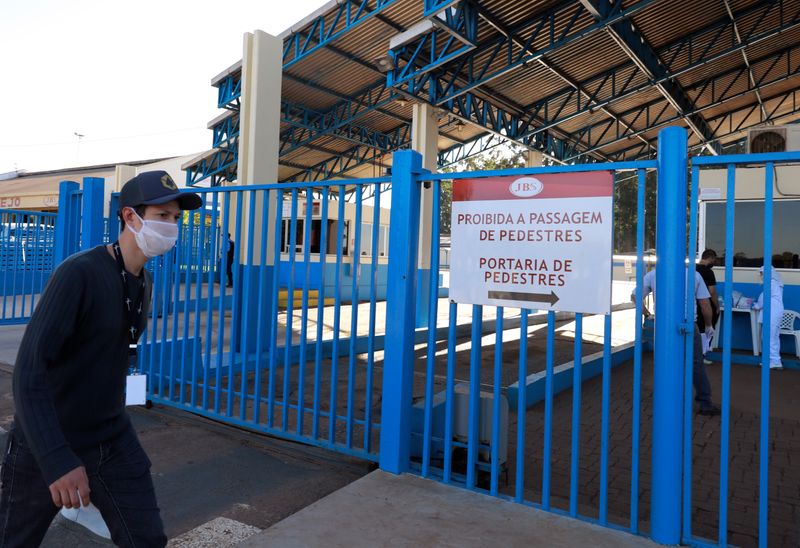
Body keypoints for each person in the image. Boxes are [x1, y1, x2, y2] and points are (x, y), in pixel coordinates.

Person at [1, 171, 202, 547]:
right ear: (130, 217)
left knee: (146, 539)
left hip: (111, 438)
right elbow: (29, 373)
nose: (173, 226)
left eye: (177, 218)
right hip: (46, 442)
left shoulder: (143, 282)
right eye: (163, 215)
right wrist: (58, 460)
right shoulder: (79, 274)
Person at [633, 267, 722, 416]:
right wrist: (708, 325)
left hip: (663, 326)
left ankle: (664, 398)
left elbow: (636, 296)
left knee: (664, 362)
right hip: (687, 324)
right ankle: (705, 403)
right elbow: (705, 305)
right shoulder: (694, 275)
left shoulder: (655, 273)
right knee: (695, 364)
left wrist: (647, 314)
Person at [752, 265, 785, 370]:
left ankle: (773, 361)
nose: (761, 276)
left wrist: (756, 306)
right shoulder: (775, 283)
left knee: (768, 337)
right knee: (773, 337)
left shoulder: (770, 283)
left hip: (772, 313)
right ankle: (774, 360)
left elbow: (763, 299)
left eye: (762, 273)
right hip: (775, 313)